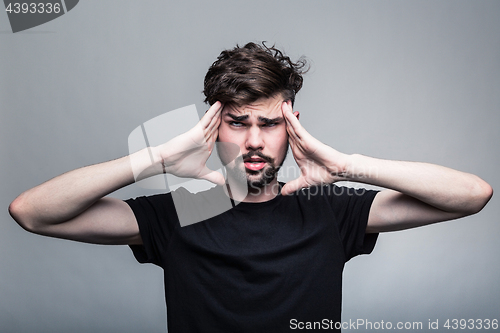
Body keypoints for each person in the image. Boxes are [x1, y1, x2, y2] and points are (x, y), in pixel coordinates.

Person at [9, 42, 493, 332]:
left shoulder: (331, 209)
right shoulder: (177, 213)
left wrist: (348, 166)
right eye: (238, 123)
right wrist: (156, 157)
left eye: (269, 123)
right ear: (213, 127)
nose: (255, 141)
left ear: (293, 125)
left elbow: (472, 195)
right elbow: (32, 211)